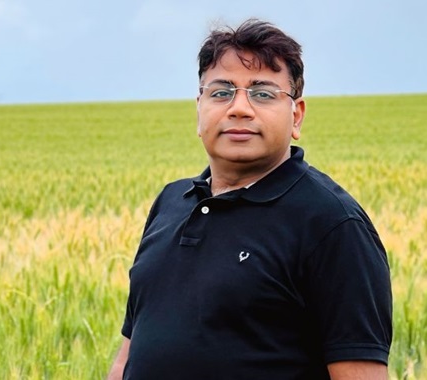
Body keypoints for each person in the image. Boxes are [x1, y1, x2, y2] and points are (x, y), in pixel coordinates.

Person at [107, 19, 392, 380]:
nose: (239, 108)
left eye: (263, 93)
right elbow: (129, 354)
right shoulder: (171, 202)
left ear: (296, 116)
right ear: (199, 110)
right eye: (221, 92)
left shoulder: (332, 224)